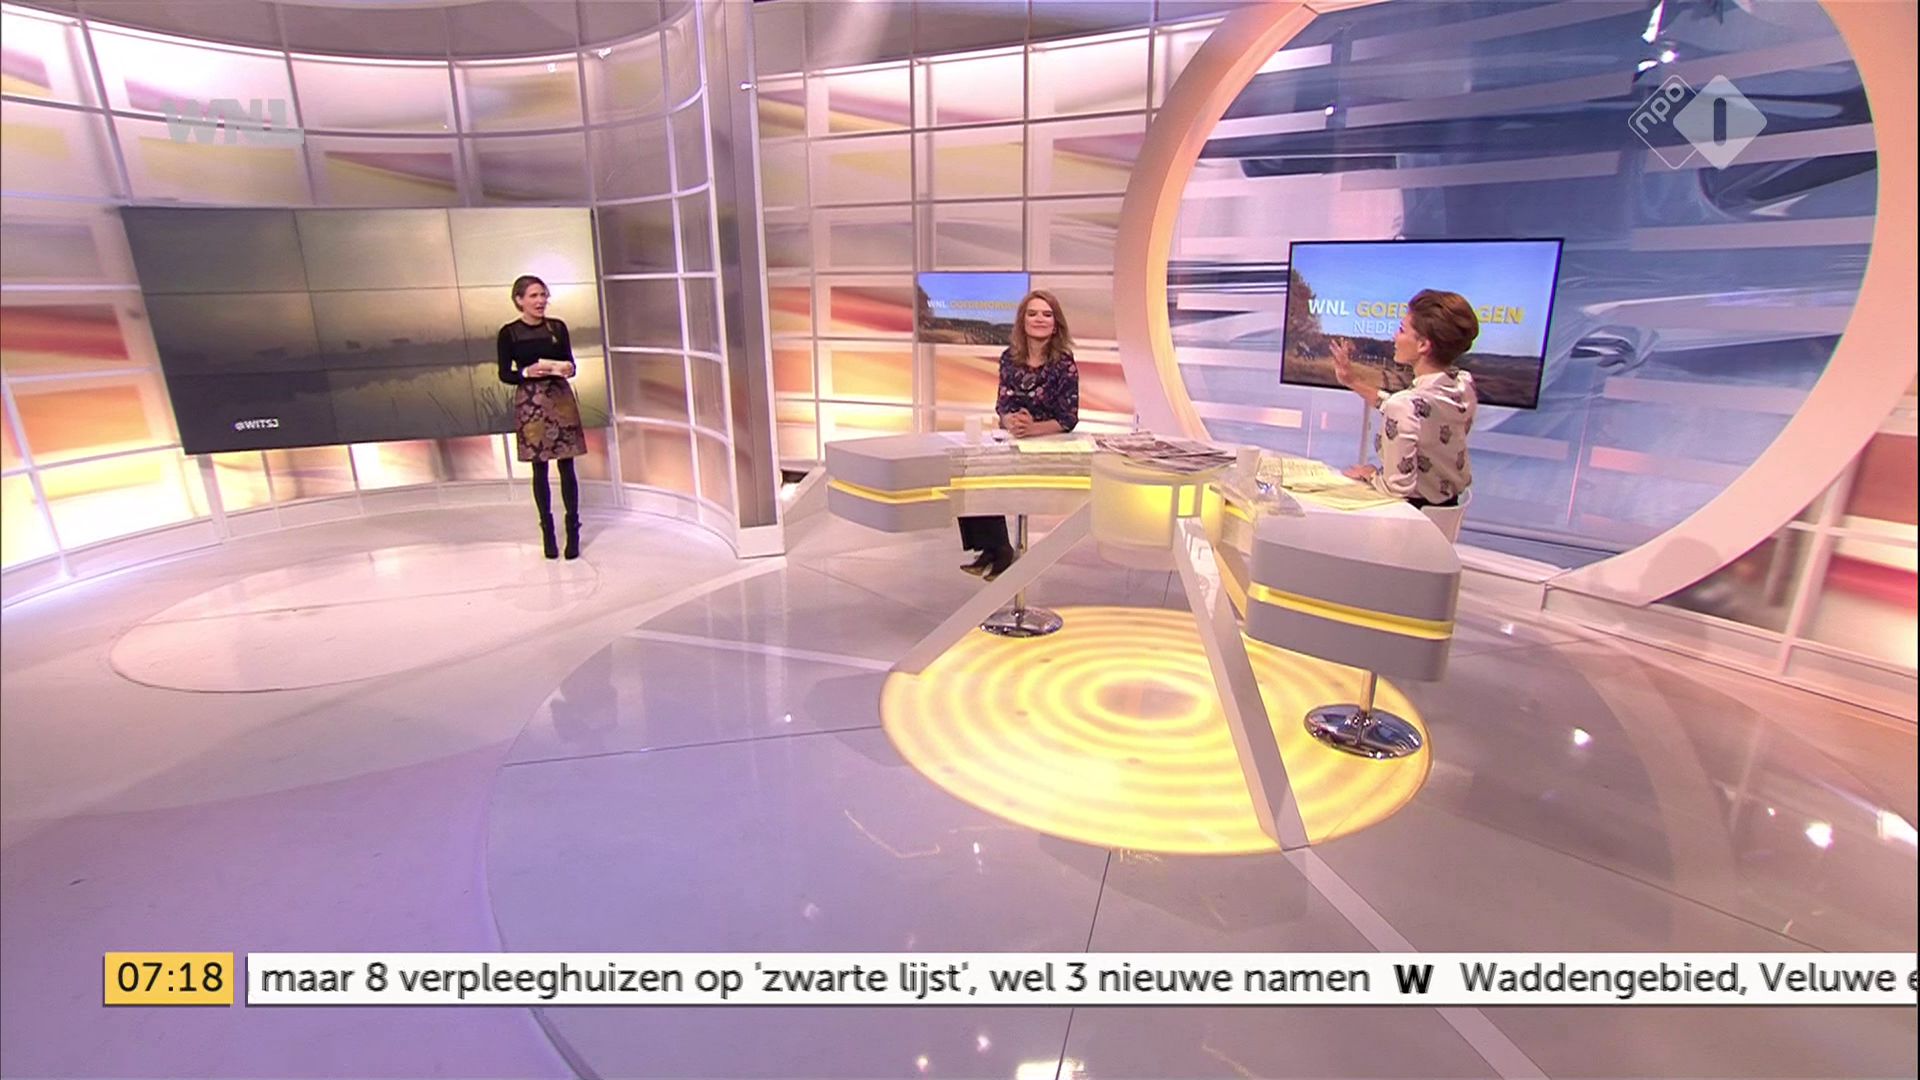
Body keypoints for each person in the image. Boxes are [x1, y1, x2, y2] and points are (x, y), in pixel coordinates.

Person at [959, 289, 1080, 580]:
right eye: (1032, 313)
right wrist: (1010, 421)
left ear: (1056, 323)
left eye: (1047, 314)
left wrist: (1033, 428)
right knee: (969, 469)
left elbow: (1068, 418)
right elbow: (1002, 405)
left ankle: (1000, 551)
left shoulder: (1064, 364)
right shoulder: (1009, 359)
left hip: (1049, 442)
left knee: (995, 475)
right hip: (1014, 438)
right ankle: (993, 547)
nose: (1039, 319)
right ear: (1022, 321)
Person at [1331, 288, 1479, 509]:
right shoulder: (1463, 384)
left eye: (1401, 330)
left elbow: (1396, 489)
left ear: (1423, 345)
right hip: (1444, 514)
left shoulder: (1404, 405)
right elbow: (1413, 410)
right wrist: (1351, 381)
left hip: (1409, 517)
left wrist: (1370, 474)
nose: (1394, 337)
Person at [497, 274, 587, 559]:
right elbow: (505, 373)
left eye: (543, 295)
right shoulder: (509, 333)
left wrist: (568, 368)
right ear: (519, 300)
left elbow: (571, 363)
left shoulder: (557, 327)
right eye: (534, 296)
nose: (540, 301)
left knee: (567, 465)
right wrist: (526, 372)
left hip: (560, 398)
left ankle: (573, 530)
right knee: (540, 468)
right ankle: (547, 532)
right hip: (531, 402)